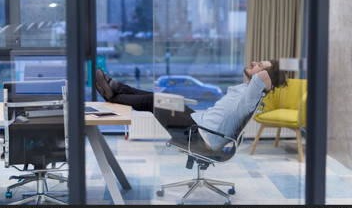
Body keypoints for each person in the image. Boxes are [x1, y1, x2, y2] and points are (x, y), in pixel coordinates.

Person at [95, 60, 287, 150]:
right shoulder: (247, 90)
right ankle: (116, 87)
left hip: (201, 134)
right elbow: (261, 77)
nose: (254, 62)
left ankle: (112, 96)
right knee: (160, 97)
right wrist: (265, 68)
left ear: (265, 78)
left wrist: (275, 68)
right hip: (198, 121)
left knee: (155, 102)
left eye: (260, 65)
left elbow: (265, 78)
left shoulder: (253, 95)